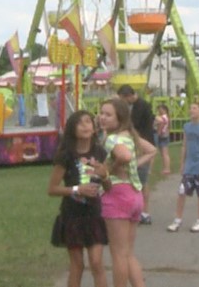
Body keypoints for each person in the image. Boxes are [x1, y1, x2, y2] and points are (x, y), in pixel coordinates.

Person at [98, 97, 156, 287]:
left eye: (108, 115)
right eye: (101, 113)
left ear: (120, 117)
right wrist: (133, 164)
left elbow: (124, 155)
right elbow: (151, 150)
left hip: (117, 194)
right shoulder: (130, 136)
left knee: (118, 254)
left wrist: (110, 168)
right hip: (134, 193)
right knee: (128, 252)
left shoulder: (112, 139)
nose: (102, 118)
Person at [48, 110, 109, 287]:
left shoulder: (100, 152)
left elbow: (108, 188)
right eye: (80, 123)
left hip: (94, 214)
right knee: (78, 264)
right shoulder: (65, 155)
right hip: (72, 215)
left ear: (94, 127)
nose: (85, 126)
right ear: (73, 129)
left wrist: (104, 176)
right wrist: (77, 189)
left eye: (89, 122)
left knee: (97, 262)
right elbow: (52, 189)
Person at [167, 100, 199, 233]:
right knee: (182, 191)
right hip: (189, 165)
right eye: (191, 108)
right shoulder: (187, 127)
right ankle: (178, 219)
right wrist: (182, 164)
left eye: (195, 108)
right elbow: (184, 145)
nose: (192, 110)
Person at [117, 85, 155, 225]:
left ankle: (144, 211)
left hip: (143, 146)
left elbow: (133, 125)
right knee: (136, 179)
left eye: (123, 99)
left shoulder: (141, 106)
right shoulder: (134, 106)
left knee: (141, 180)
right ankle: (138, 210)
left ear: (129, 96)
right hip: (138, 145)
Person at [154, 104, 171, 176]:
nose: (159, 111)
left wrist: (158, 133)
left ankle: (166, 169)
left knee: (164, 153)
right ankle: (166, 168)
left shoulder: (162, 117)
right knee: (165, 153)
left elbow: (161, 125)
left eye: (160, 109)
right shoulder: (168, 117)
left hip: (162, 135)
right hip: (166, 134)